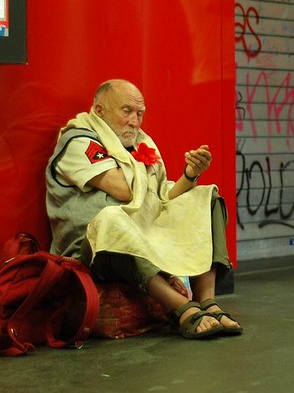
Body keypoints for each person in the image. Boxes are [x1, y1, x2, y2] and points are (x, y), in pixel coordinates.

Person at [45, 79, 242, 338]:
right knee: (113, 218)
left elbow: (159, 198)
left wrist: (190, 175)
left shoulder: (138, 144)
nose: (135, 121)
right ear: (100, 110)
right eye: (126, 111)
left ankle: (207, 302)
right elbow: (124, 191)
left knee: (206, 197)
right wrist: (145, 170)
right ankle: (181, 307)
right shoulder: (78, 141)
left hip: (141, 232)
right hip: (92, 248)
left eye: (139, 113)